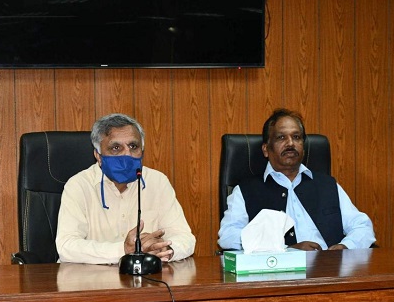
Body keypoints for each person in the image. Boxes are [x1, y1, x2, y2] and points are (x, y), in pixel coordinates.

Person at [218, 108, 375, 251]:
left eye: (296, 137)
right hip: (277, 270)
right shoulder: (246, 191)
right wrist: (287, 249)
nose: (290, 143)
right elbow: (228, 236)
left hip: (331, 268)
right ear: (266, 149)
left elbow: (362, 227)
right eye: (281, 137)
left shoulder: (328, 185)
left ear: (303, 147)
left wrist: (344, 247)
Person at [56, 113, 195, 264]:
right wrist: (124, 250)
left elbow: (185, 238)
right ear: (98, 155)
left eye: (133, 146)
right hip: (91, 276)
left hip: (144, 275)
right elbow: (66, 246)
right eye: (116, 148)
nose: (127, 154)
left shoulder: (157, 181)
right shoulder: (79, 185)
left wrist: (165, 249)